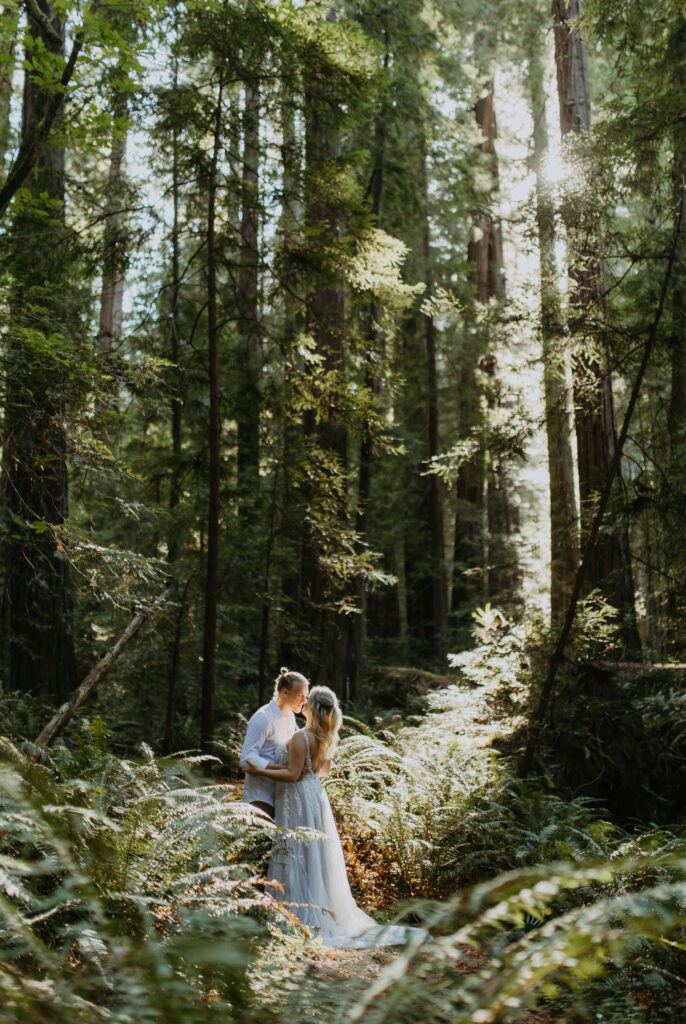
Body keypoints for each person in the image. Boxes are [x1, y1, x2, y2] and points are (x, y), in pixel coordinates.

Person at [245, 685, 411, 948]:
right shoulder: (325, 736)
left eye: (306, 701)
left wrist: (260, 770)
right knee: (312, 852)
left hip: (296, 796)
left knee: (296, 849)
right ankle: (310, 907)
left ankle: (295, 915)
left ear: (311, 708)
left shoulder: (302, 737)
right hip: (314, 796)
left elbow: (291, 775)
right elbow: (321, 773)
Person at [239, 668, 309, 819]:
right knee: (261, 840)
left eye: (306, 696)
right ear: (284, 692)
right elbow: (246, 760)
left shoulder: (290, 716)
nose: (304, 701)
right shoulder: (263, 718)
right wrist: (281, 768)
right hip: (260, 796)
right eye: (300, 696)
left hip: (282, 793)